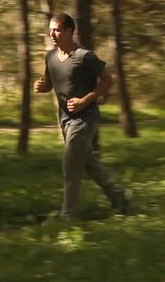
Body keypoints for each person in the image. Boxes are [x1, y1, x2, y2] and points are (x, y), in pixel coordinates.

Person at [34, 13, 130, 218]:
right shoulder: (50, 56)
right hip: (65, 119)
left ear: (69, 31)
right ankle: (120, 198)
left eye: (57, 29)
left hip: (85, 117)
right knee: (89, 162)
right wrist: (43, 86)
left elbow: (107, 80)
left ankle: (68, 216)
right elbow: (51, 80)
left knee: (70, 164)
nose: (52, 33)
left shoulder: (84, 56)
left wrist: (85, 100)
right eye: (51, 29)